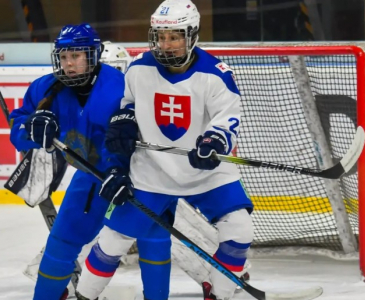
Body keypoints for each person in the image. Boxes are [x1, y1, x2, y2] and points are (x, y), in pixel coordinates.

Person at [75, 1, 254, 300]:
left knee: (240, 229)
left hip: (206, 172)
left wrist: (213, 142)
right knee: (113, 240)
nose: (165, 44)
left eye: (174, 36)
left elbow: (227, 119)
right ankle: (84, 296)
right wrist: (124, 128)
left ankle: (220, 295)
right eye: (160, 36)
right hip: (151, 171)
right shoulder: (140, 68)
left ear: (192, 34)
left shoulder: (216, 74)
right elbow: (127, 106)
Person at [9, 24, 129, 300]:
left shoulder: (121, 87)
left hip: (134, 177)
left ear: (93, 55)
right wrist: (30, 129)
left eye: (75, 56)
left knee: (151, 241)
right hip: (90, 176)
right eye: (63, 57)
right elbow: (18, 126)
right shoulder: (45, 88)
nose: (68, 63)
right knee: (61, 243)